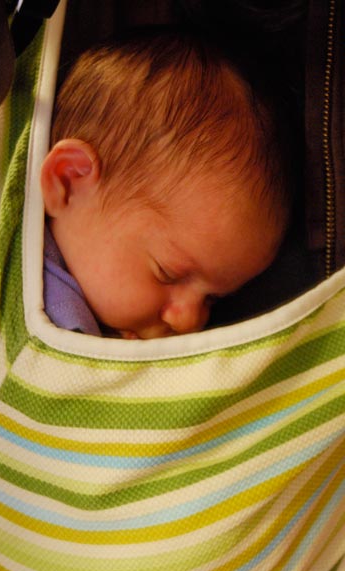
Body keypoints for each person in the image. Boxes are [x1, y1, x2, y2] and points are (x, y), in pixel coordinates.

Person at [41, 27, 292, 340]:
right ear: (68, 181)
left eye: (212, 299)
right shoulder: (49, 314)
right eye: (167, 273)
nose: (188, 321)